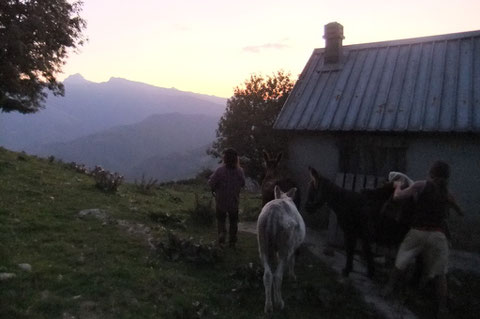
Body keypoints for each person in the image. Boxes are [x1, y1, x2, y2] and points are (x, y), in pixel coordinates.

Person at [383, 161, 462, 318]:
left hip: (418, 232)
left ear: (431, 173)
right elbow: (461, 212)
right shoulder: (447, 193)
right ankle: (442, 309)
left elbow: (398, 197)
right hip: (438, 236)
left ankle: (388, 289)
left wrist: (398, 185)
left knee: (400, 262)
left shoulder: (421, 185)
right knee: (440, 274)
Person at [208, 148, 245, 248]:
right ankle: (232, 241)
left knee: (221, 220)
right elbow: (242, 183)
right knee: (233, 221)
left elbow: (211, 182)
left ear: (225, 158)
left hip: (221, 201)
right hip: (234, 201)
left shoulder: (220, 171)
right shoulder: (240, 171)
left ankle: (222, 236)